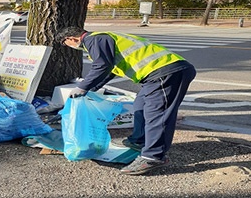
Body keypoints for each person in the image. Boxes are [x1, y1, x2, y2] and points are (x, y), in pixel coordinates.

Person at [57, 27, 196, 175]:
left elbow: (102, 65)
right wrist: (92, 88)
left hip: (166, 73)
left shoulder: (94, 40)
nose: (70, 47)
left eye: (67, 44)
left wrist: (82, 87)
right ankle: (138, 140)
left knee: (157, 114)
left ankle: (153, 156)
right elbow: (110, 69)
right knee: (140, 105)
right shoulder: (103, 39)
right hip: (158, 75)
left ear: (72, 38)